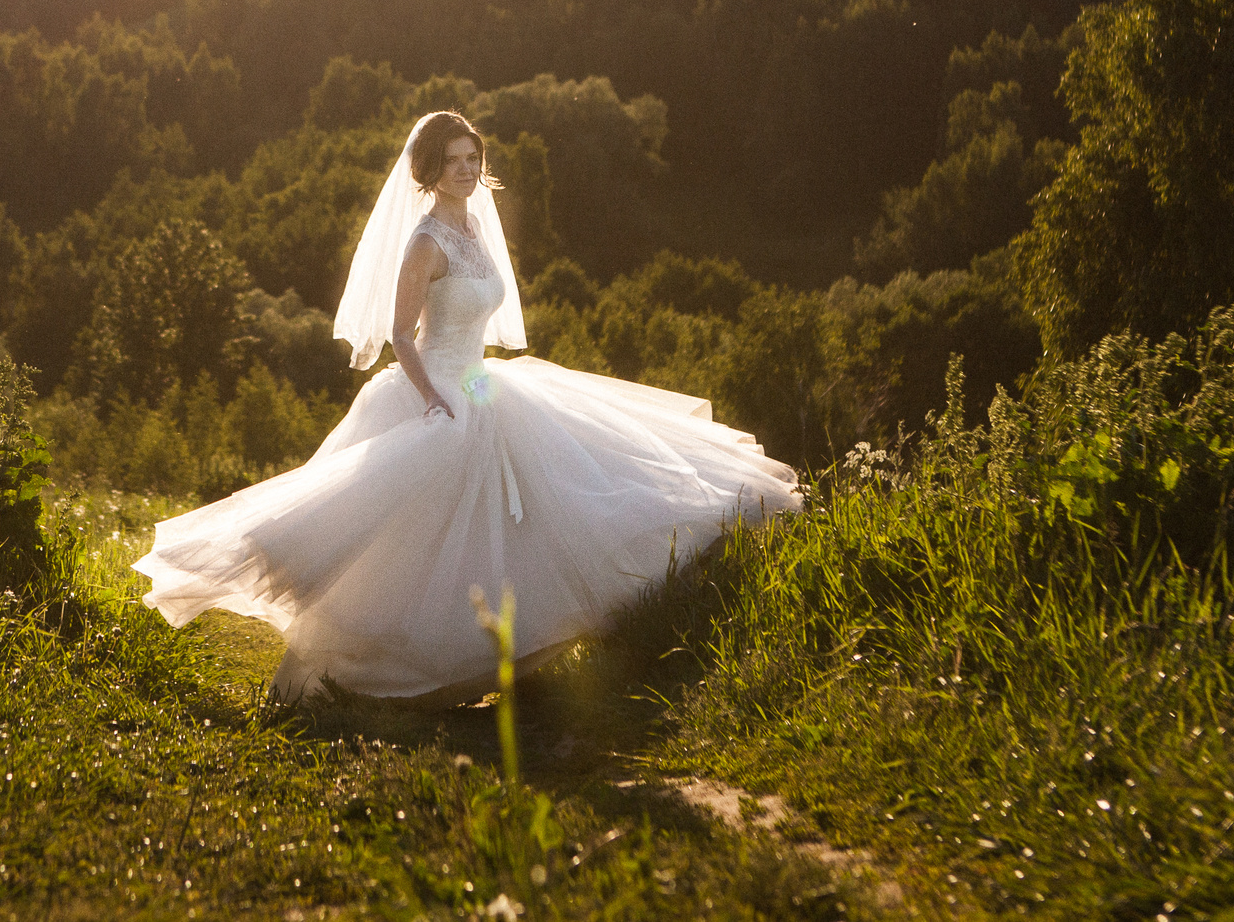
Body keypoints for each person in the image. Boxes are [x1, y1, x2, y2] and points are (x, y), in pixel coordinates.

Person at [134, 109, 800, 700]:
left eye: (472, 158)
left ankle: (524, 643)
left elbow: (480, 322)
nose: (466, 169)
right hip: (437, 388)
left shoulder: (476, 226)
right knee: (413, 537)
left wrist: (475, 390)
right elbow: (401, 335)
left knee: (549, 488)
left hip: (482, 381)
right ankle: (389, 661)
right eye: (452, 160)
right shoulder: (425, 241)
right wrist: (435, 399)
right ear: (427, 170)